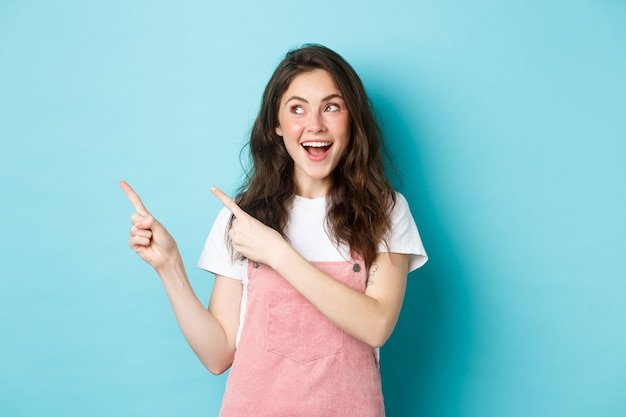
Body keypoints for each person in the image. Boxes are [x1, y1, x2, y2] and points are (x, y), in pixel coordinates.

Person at [121, 44, 427, 417]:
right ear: (276, 125)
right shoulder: (243, 219)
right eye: (297, 108)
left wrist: (278, 253)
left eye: (332, 106)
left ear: (353, 119)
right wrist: (169, 267)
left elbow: (376, 325)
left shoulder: (386, 211)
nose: (315, 124)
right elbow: (218, 355)